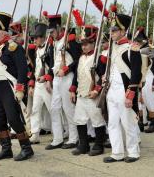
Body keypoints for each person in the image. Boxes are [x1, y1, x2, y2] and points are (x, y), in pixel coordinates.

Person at [0, 7, 33, 161]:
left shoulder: (14, 47)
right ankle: (6, 149)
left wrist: (20, 89)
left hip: (10, 88)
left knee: (14, 120)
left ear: (2, 32)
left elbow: (22, 70)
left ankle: (26, 148)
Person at [103, 13, 142, 163]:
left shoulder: (133, 48)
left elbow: (136, 74)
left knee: (128, 123)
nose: (111, 33)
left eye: (114, 30)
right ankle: (117, 152)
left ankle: (133, 152)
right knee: (112, 123)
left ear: (123, 30)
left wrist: (131, 94)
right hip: (111, 89)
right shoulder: (112, 49)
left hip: (124, 90)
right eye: (111, 30)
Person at [44, 11, 81, 150]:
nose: (51, 34)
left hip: (67, 78)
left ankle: (73, 138)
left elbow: (79, 61)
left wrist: (66, 69)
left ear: (59, 28)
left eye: (52, 31)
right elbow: (53, 63)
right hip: (57, 80)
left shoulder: (70, 41)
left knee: (68, 109)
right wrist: (49, 78)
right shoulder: (54, 44)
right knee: (54, 109)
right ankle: (57, 138)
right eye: (49, 32)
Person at [69, 25, 106, 156]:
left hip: (93, 95)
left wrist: (96, 90)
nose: (83, 46)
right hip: (81, 94)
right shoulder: (81, 58)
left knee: (97, 120)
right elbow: (77, 76)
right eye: (82, 44)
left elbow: (104, 77)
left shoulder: (99, 58)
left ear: (93, 43)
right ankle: (83, 145)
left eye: (87, 43)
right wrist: (72, 89)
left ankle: (99, 145)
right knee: (79, 119)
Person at [29, 23, 52, 144]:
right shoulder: (35, 51)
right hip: (38, 85)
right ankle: (35, 133)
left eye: (36, 38)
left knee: (52, 109)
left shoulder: (49, 49)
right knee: (35, 109)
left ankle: (63, 132)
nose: (34, 40)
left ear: (42, 37)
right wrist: (32, 85)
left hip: (47, 84)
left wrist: (48, 79)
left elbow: (53, 67)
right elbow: (33, 69)